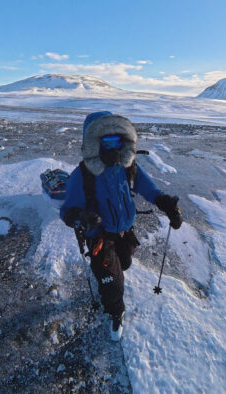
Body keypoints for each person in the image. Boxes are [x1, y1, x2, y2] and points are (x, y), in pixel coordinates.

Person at [60, 111, 182, 341]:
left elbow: (149, 190)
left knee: (124, 263)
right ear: (93, 143)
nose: (111, 148)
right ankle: (115, 312)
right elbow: (67, 211)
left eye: (116, 140)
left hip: (125, 230)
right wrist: (81, 216)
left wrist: (167, 203)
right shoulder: (82, 176)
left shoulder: (129, 168)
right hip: (100, 238)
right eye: (104, 141)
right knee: (112, 286)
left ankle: (112, 282)